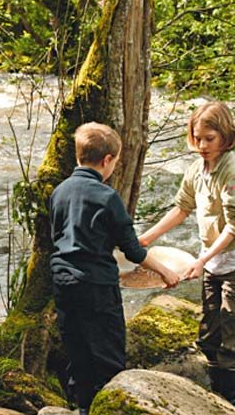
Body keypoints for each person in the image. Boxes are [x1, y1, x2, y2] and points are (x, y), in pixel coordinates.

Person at [49, 122, 179, 415]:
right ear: (107, 160)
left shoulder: (59, 191)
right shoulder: (108, 197)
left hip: (63, 281)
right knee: (109, 355)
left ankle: (83, 409)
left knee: (77, 348)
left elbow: (57, 236)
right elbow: (132, 251)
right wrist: (165, 272)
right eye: (116, 162)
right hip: (97, 286)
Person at [138, 101, 235, 408]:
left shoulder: (234, 172)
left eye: (210, 138)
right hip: (212, 261)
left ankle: (229, 402)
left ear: (225, 136)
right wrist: (146, 238)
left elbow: (234, 226)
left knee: (233, 336)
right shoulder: (197, 168)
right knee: (208, 334)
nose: (203, 145)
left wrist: (201, 261)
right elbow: (182, 208)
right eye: (198, 138)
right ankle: (211, 396)